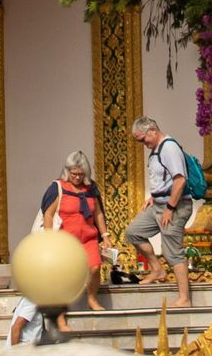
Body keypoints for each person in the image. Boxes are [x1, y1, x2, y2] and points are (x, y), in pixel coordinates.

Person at [124, 114, 193, 309]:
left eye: (143, 138)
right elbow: (163, 178)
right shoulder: (155, 150)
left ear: (152, 130)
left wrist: (170, 208)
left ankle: (184, 298)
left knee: (172, 250)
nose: (143, 143)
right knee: (134, 232)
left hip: (175, 206)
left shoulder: (169, 148)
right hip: (159, 204)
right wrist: (153, 197)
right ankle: (157, 269)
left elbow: (180, 180)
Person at [39, 149, 110, 317]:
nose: (77, 177)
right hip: (66, 240)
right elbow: (48, 213)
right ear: (67, 171)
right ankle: (60, 307)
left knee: (94, 267)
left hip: (88, 237)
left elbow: (98, 212)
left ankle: (92, 299)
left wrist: (105, 235)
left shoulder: (91, 188)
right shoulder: (58, 187)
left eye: (80, 174)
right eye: (73, 174)